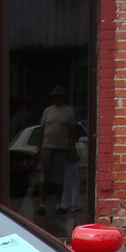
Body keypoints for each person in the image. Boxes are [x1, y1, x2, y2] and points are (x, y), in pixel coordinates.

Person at [36, 86, 78, 216]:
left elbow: (73, 131)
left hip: (62, 148)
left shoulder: (69, 112)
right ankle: (42, 204)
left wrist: (72, 148)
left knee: (60, 178)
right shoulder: (48, 111)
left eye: (58, 96)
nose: (56, 99)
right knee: (45, 177)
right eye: (54, 96)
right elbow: (42, 130)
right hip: (47, 147)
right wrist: (38, 149)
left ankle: (59, 204)